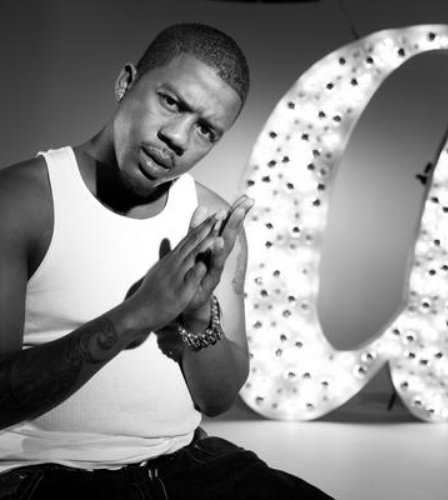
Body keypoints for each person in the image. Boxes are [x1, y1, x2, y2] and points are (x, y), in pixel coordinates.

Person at [0, 23, 333, 499]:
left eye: (205, 130)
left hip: (186, 463)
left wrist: (197, 316)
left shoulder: (211, 222)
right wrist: (136, 315)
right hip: (43, 474)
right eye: (171, 102)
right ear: (126, 83)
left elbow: (216, 399)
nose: (177, 137)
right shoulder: (21, 203)